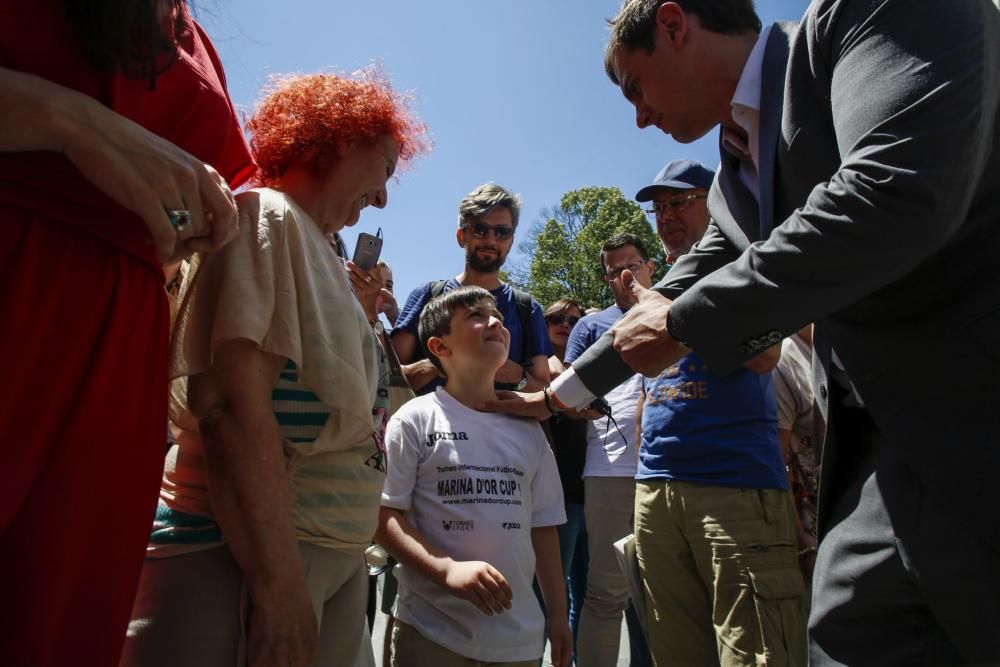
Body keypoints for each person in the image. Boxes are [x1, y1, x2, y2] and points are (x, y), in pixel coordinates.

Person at [489, 0, 1000, 664]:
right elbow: (669, 301)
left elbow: (892, 192)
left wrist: (681, 321)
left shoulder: (870, 15)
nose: (639, 116)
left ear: (674, 25)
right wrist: (554, 398)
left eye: (636, 87)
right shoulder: (735, 186)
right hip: (877, 476)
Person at [121, 69, 429, 667]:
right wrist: (280, 589)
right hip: (252, 562)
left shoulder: (316, 248)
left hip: (324, 561)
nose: (385, 198)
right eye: (385, 168)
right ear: (340, 137)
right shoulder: (267, 214)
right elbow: (229, 406)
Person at [0, 2, 252, 664]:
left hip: (124, 345)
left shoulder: (194, 35)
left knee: (66, 626)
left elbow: (229, 190)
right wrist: (67, 121)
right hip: (15, 272)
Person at [632, 161, 807, 665]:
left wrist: (675, 319)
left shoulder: (748, 268)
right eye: (658, 208)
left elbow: (765, 356)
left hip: (732, 487)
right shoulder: (659, 287)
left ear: (715, 204)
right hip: (656, 492)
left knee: (756, 653)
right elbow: (649, 392)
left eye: (678, 202)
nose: (665, 217)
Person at [376, 286, 571, 667]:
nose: (494, 321)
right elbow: (384, 518)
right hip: (431, 633)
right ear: (439, 347)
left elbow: (543, 528)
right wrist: (446, 570)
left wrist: (559, 616)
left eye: (495, 314)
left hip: (518, 644)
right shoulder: (415, 419)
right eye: (475, 316)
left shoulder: (527, 430)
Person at [562, 233, 653, 667]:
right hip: (610, 471)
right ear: (606, 278)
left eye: (632, 264)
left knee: (663, 600)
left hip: (669, 470)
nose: (625, 275)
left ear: (650, 266)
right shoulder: (590, 325)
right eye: (615, 269)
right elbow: (568, 390)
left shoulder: (675, 310)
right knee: (605, 595)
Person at [391, 183, 552, 395]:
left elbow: (545, 391)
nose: (491, 240)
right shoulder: (426, 295)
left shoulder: (526, 308)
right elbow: (387, 379)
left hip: (505, 427)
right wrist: (442, 363)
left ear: (511, 241)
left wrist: (516, 376)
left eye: (502, 232)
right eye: (480, 229)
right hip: (428, 426)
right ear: (461, 236)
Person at [541, 298, 589, 658]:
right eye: (556, 318)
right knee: (553, 593)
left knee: (587, 591)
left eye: (575, 319)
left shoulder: (592, 369)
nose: (565, 324)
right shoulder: (542, 372)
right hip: (559, 494)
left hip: (594, 490)